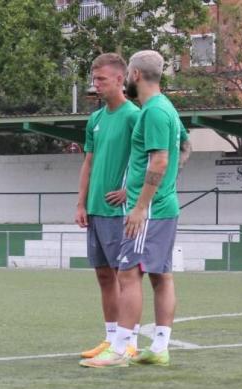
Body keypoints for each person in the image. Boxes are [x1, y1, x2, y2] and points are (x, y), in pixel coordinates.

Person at [84, 50, 190, 369]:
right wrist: (168, 184)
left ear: (133, 75)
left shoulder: (153, 111)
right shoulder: (164, 108)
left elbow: (159, 160)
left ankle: (121, 348)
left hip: (151, 210)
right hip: (163, 205)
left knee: (129, 274)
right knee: (161, 275)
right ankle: (159, 347)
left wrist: (141, 205)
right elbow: (183, 147)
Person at [75, 53, 141, 365]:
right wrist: (81, 202)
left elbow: (148, 157)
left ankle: (129, 341)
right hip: (96, 208)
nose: (96, 85)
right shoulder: (95, 119)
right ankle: (110, 337)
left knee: (124, 276)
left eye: (101, 79)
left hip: (120, 212)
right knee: (103, 275)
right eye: (94, 79)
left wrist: (130, 190)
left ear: (119, 79)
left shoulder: (133, 115)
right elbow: (88, 162)